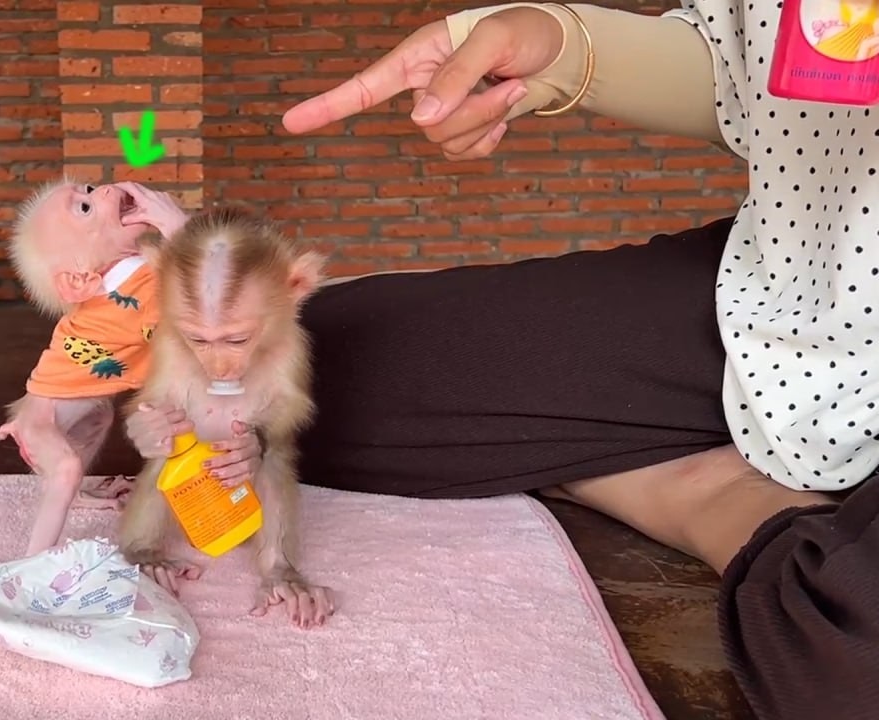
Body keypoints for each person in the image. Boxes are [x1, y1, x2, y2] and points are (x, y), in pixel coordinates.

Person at [121, 3, 879, 719]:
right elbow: (770, 74)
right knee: (327, 362)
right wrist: (564, 46)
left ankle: (705, 493)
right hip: (802, 273)